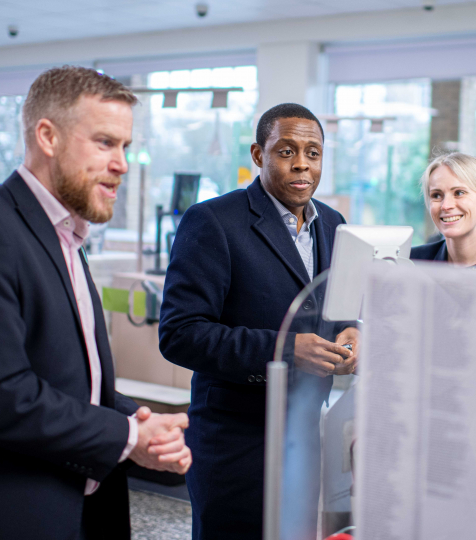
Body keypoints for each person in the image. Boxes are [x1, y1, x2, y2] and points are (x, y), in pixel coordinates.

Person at [0, 66, 192, 540]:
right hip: (4, 518)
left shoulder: (66, 236)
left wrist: (137, 422)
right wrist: (128, 437)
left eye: (125, 147)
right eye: (105, 143)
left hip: (80, 510)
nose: (123, 164)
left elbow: (69, 378)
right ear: (47, 136)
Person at [159, 103, 359, 540]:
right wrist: (285, 349)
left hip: (309, 434)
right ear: (258, 155)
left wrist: (352, 333)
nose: (302, 163)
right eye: (287, 151)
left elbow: (336, 309)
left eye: (313, 151)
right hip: (236, 442)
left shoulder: (334, 224)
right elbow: (180, 334)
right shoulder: (213, 221)